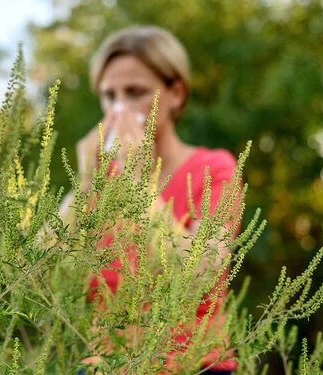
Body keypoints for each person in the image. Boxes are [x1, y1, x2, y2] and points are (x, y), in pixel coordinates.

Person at [60, 26, 238, 374]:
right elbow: (42, 268)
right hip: (104, 366)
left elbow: (201, 273)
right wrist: (85, 181)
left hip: (194, 366)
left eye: (135, 92)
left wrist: (139, 181)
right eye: (108, 96)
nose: (119, 108)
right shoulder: (101, 183)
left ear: (176, 94)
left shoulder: (215, 169)